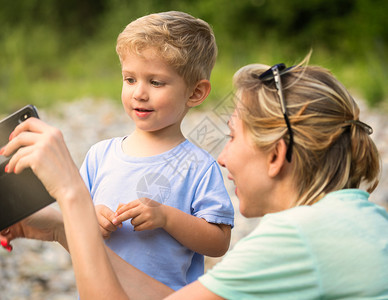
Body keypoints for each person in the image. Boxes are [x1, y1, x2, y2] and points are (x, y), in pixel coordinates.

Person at [1, 52, 388, 299]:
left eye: (232, 136)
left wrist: (71, 193)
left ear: (277, 155)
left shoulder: (298, 240)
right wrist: (62, 227)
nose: (221, 157)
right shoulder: (359, 222)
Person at [79, 11, 235, 290]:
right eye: (130, 79)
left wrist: (166, 218)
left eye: (155, 82)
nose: (139, 93)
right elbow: (71, 218)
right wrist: (92, 218)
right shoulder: (100, 156)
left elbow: (219, 242)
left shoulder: (198, 166)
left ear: (195, 93)